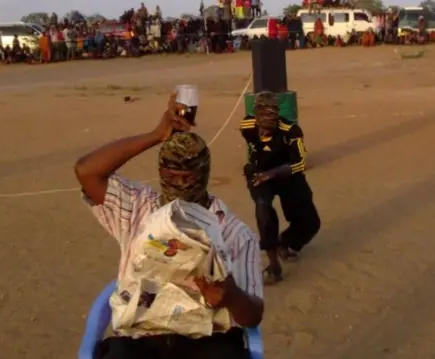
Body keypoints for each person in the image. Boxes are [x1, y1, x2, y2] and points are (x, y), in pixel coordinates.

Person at [75, 93, 264, 359]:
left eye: (188, 177)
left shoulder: (235, 233)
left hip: (206, 340)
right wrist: (155, 135)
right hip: (139, 339)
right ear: (160, 173)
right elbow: (86, 171)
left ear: (204, 174)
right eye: (170, 176)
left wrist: (231, 296)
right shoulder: (137, 207)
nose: (180, 184)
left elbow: (253, 316)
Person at [240, 91, 320, 284]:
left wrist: (273, 173)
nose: (269, 118)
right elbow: (254, 151)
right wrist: (258, 172)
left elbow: (300, 163)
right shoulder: (247, 126)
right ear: (255, 115)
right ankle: (273, 263)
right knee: (263, 208)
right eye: (263, 113)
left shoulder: (290, 131)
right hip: (259, 173)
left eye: (273, 112)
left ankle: (287, 242)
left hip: (287, 174)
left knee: (310, 222)